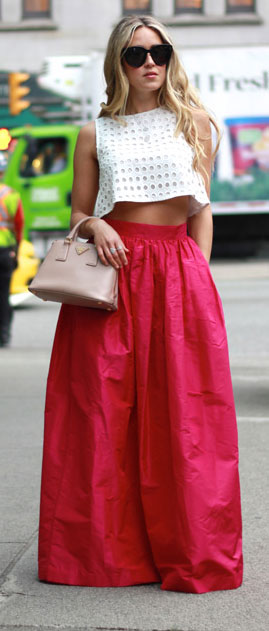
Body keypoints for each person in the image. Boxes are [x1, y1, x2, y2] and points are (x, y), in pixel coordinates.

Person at [38, 15, 243, 593]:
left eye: (159, 51)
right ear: (118, 64)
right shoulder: (92, 134)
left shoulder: (198, 123)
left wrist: (197, 275)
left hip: (177, 276)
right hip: (112, 277)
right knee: (102, 416)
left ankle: (187, 550)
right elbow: (78, 213)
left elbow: (201, 208)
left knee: (185, 418)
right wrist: (94, 226)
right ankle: (105, 557)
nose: (149, 62)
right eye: (135, 55)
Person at [0, 152, 24, 347]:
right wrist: (17, 248)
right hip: (5, 251)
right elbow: (19, 225)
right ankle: (4, 334)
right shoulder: (11, 195)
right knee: (3, 294)